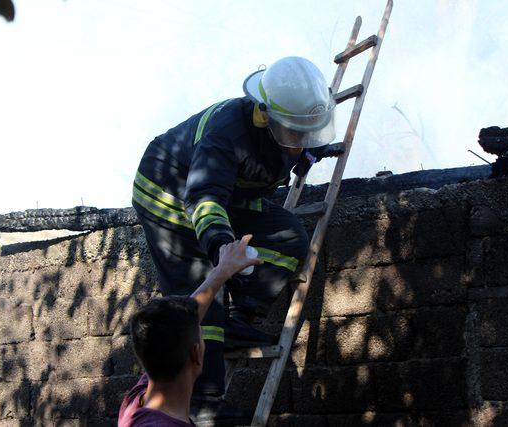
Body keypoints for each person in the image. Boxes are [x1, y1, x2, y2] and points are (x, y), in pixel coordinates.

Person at [131, 56, 342, 422]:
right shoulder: (227, 133)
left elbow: (293, 142)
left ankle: (237, 317)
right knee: (203, 299)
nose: (297, 142)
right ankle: (204, 407)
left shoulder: (286, 126)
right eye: (293, 133)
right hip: (170, 195)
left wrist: (310, 148)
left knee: (290, 237)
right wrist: (220, 248)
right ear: (264, 115)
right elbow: (205, 197)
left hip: (225, 198)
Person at [119, 235, 263, 426]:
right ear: (196, 353)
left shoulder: (136, 401)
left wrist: (222, 271)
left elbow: (185, 317)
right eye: (202, 335)